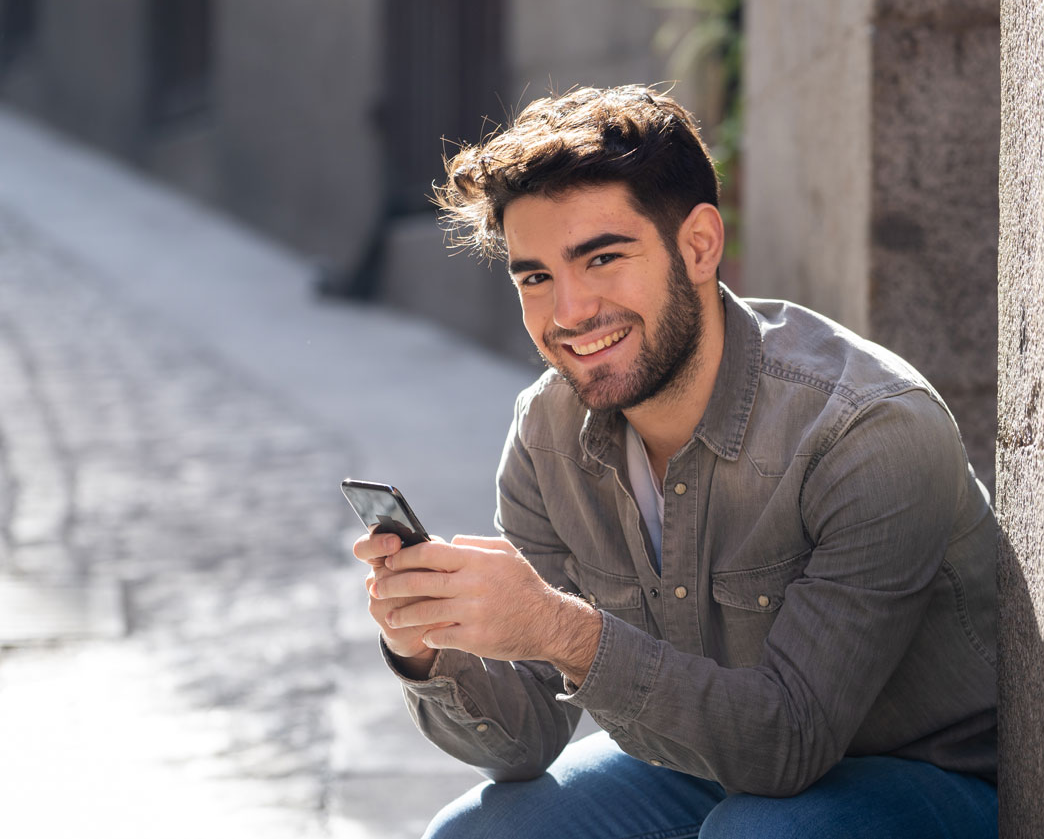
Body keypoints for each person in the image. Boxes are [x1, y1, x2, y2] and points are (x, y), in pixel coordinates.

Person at [353, 85, 998, 838]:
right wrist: (424, 647)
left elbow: (790, 742)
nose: (568, 312)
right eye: (535, 277)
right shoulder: (547, 432)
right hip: (708, 766)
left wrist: (562, 630)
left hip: (936, 777)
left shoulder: (867, 429)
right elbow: (524, 739)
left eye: (601, 258)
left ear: (698, 245)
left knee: (756, 833)